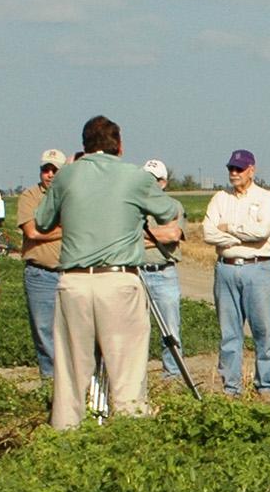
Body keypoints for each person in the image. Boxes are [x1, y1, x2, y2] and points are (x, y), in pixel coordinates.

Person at [29, 115, 184, 431]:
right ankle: (128, 437)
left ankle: (64, 440)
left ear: (84, 146)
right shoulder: (135, 176)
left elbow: (42, 221)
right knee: (127, 371)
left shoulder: (66, 176)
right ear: (120, 146)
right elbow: (168, 212)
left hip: (72, 281)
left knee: (70, 373)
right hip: (118, 279)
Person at [203, 148, 270, 397]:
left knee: (263, 330)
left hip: (259, 268)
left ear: (251, 170)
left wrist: (229, 229)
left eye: (239, 169)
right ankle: (231, 387)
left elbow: (262, 232)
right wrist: (240, 234)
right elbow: (208, 232)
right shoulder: (220, 198)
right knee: (229, 332)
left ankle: (265, 385)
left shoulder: (265, 197)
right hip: (226, 269)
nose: (234, 173)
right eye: (231, 169)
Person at [15, 148, 67, 376]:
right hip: (41, 274)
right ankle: (50, 384)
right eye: (46, 169)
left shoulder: (71, 196)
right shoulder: (30, 197)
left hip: (70, 273)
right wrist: (67, 229)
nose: (50, 174)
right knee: (44, 332)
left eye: (55, 170)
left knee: (72, 331)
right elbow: (32, 232)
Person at [140, 159, 185, 378]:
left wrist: (138, 238)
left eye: (154, 179)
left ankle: (173, 376)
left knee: (170, 329)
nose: (150, 183)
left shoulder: (174, 206)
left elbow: (173, 235)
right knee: (136, 330)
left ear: (164, 182)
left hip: (164, 272)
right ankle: (137, 377)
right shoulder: (134, 207)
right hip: (137, 272)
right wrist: (158, 235)